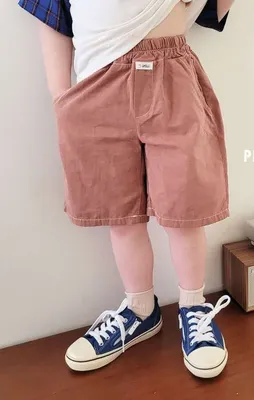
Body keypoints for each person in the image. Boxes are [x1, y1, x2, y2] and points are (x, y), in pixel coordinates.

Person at [18, 0, 233, 379]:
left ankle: (193, 305)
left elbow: (213, 8)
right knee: (120, 211)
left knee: (185, 206)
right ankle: (139, 309)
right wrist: (61, 98)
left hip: (172, 72)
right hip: (96, 82)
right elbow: (49, 12)